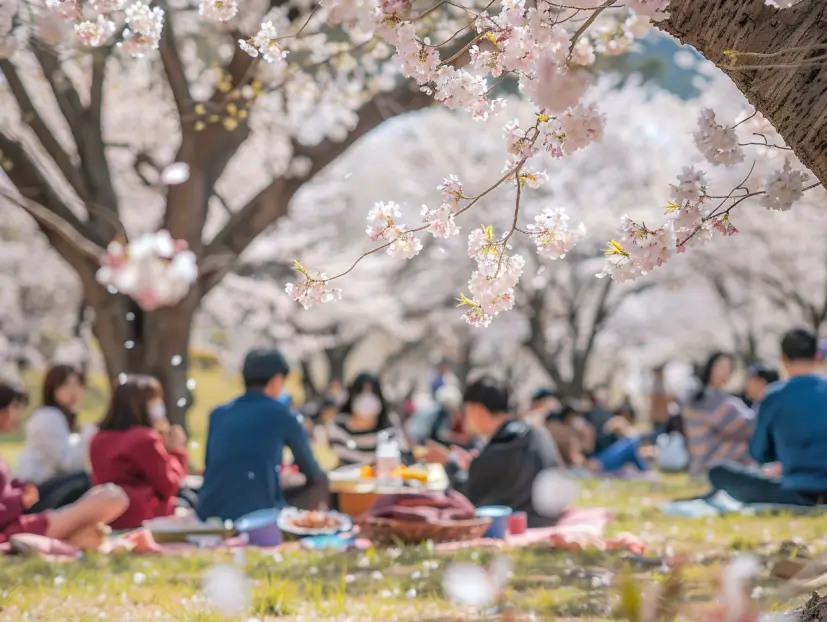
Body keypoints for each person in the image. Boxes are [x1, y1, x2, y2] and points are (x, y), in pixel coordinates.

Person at [196, 349, 328, 522]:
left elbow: (211, 465)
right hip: (259, 514)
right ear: (276, 380)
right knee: (322, 481)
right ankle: (305, 526)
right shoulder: (282, 414)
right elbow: (312, 471)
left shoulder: (218, 414)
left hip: (209, 512)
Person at [0, 379, 128, 548]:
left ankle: (73, 537)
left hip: (24, 518)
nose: (20, 414)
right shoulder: (47, 418)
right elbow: (67, 463)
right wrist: (20, 499)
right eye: (15, 406)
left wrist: (19, 488)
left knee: (110, 498)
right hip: (16, 527)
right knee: (111, 497)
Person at [708, 329, 827, 505]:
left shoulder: (773, 396)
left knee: (718, 471)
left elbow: (759, 453)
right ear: (817, 355)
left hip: (793, 491)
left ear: (783, 359)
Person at [431, 376, 564, 527]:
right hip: (548, 517)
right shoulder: (536, 432)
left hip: (525, 524)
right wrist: (474, 466)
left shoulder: (502, 445)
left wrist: (449, 464)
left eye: (466, 412)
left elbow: (464, 501)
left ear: (477, 410)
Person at [89, 375, 189, 530]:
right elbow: (170, 485)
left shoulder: (98, 438)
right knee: (189, 500)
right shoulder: (144, 438)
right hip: (142, 514)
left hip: (107, 514)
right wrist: (176, 450)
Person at [16, 364, 94, 511]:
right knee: (87, 480)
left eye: (78, 384)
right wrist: (88, 435)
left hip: (46, 488)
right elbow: (67, 464)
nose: (74, 391)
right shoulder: (49, 417)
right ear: (52, 389)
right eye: (66, 385)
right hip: (37, 492)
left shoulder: (62, 419)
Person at [682, 352, 755, 478]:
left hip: (700, 465)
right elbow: (745, 426)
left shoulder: (704, 396)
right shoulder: (710, 399)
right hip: (710, 465)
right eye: (720, 367)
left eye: (728, 368)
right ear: (709, 367)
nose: (724, 373)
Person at [327, 372, 405, 466]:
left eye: (372, 393)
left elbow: (402, 456)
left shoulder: (389, 425)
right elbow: (336, 459)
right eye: (361, 393)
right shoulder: (338, 426)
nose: (366, 399)